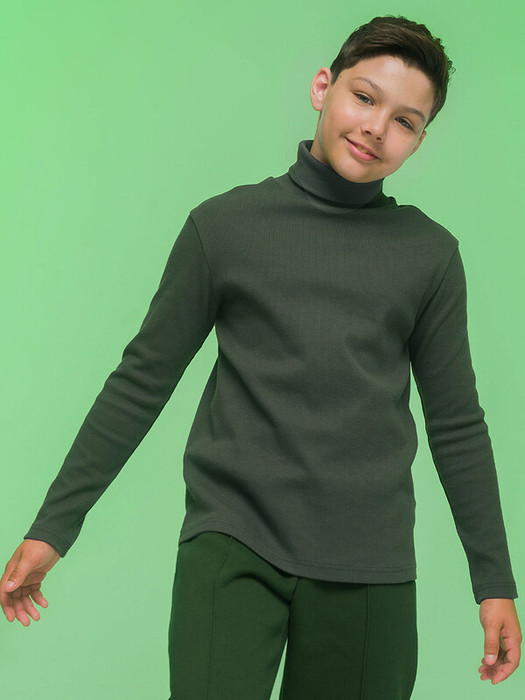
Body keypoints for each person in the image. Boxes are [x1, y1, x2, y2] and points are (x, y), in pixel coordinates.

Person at [1, 14, 521, 699]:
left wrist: (493, 583)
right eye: (364, 97)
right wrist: (54, 527)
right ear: (322, 87)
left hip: (369, 561)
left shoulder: (429, 256)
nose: (375, 127)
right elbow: (141, 382)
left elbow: (456, 424)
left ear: (419, 140)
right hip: (233, 539)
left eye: (404, 121)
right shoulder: (225, 228)